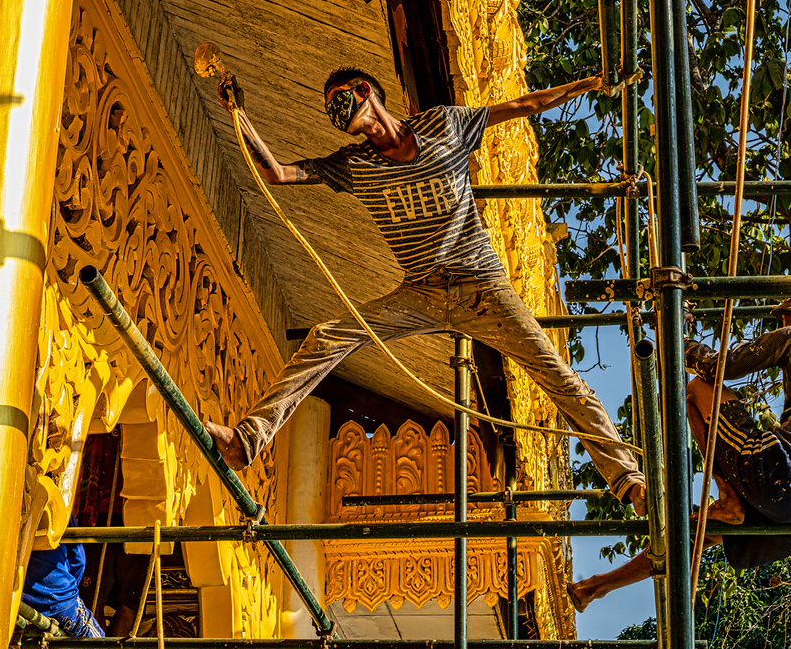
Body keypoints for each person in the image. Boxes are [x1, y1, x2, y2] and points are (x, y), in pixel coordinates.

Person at [205, 66, 647, 514]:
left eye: (338, 99)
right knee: (327, 337)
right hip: (422, 294)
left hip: (483, 288)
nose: (334, 112)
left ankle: (628, 480)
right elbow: (279, 173)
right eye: (329, 109)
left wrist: (591, 83)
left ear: (365, 92)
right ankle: (248, 439)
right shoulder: (355, 164)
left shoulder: (444, 125)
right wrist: (238, 113)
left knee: (560, 378)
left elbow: (523, 105)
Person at [567, 321, 791, 612]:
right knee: (698, 535)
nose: (784, 322)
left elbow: (717, 367)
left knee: (698, 389)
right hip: (786, 520)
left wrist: (677, 342)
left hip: (779, 471)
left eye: (786, 315)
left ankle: (727, 495)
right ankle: (596, 586)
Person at [22, 518, 114, 649]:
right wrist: (71, 590)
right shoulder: (58, 500)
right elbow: (78, 558)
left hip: (13, 596)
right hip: (57, 597)